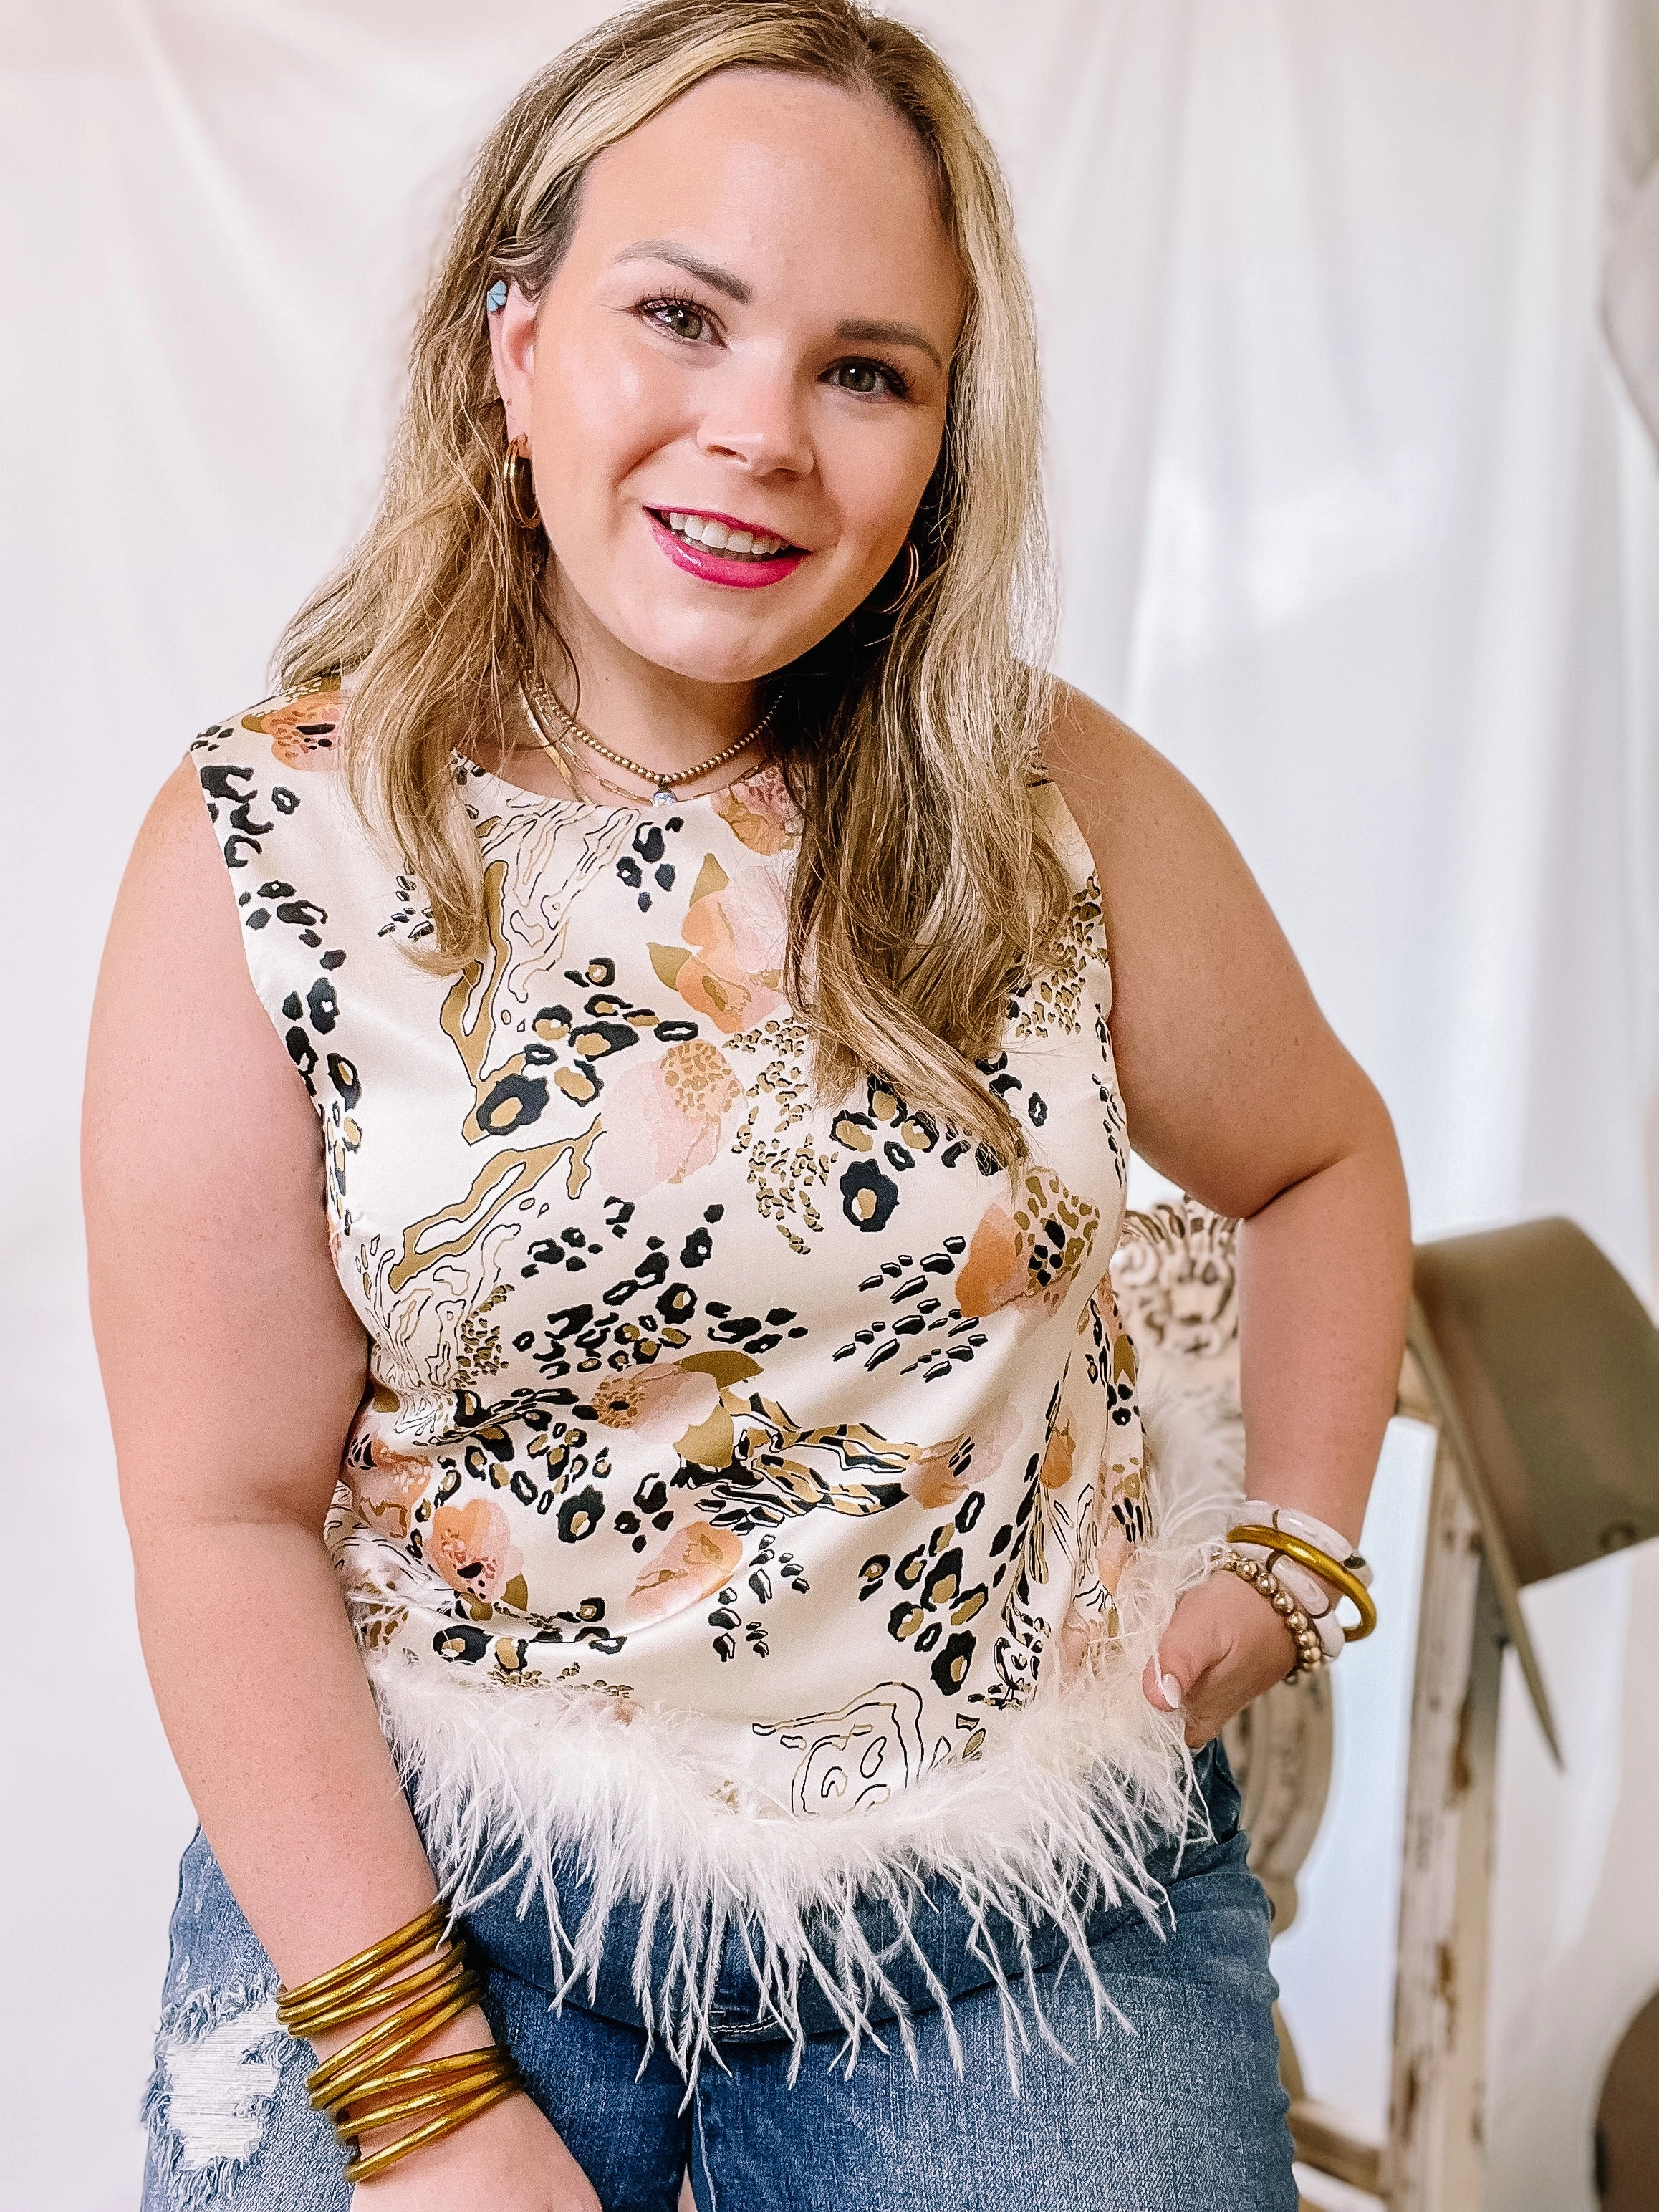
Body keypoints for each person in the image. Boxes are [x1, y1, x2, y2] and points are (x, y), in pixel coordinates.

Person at [84, 3, 1410, 2206]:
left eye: (863, 370)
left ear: (936, 440)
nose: (760, 434)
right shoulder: (269, 843)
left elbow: (1316, 1157)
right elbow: (216, 1520)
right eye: (677, 317)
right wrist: (420, 2104)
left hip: (1009, 1890)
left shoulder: (1045, 798)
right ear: (512, 348)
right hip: (445, 1869)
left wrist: (1290, 1540)